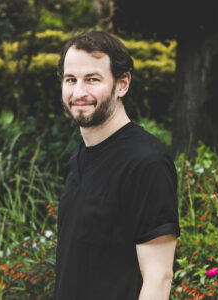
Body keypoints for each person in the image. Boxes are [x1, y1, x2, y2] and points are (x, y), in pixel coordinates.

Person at [54, 30, 180, 300]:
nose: (78, 92)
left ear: (122, 84)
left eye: (92, 80)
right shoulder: (79, 158)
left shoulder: (147, 162)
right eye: (70, 80)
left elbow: (159, 279)